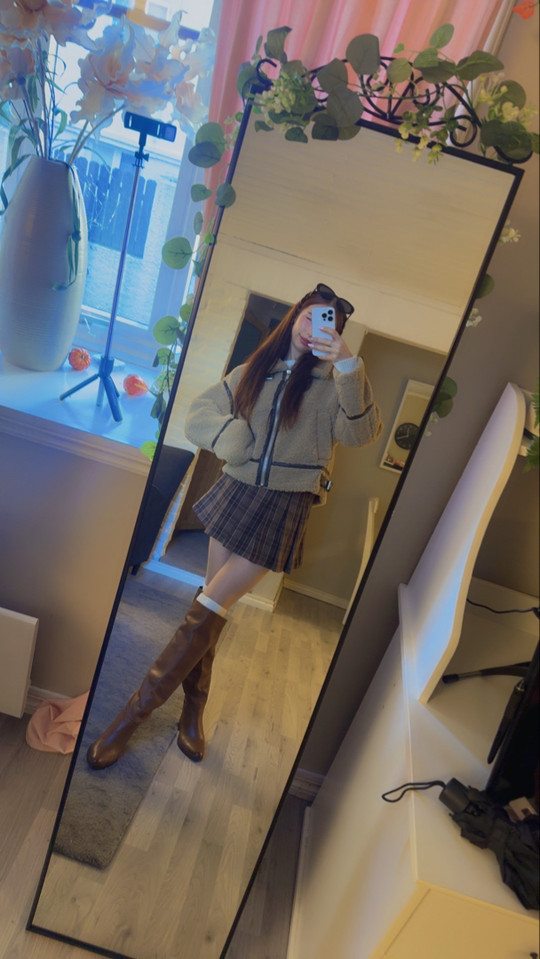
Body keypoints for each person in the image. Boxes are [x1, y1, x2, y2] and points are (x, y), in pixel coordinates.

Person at [87, 283, 382, 770]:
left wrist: (349, 365)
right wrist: (232, 436)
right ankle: (192, 712)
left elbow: (362, 434)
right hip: (237, 491)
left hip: (284, 505)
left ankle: (129, 719)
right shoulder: (255, 371)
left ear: (336, 334)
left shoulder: (334, 384)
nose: (313, 328)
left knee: (208, 606)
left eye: (327, 322)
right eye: (309, 315)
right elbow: (199, 412)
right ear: (295, 316)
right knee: (212, 607)